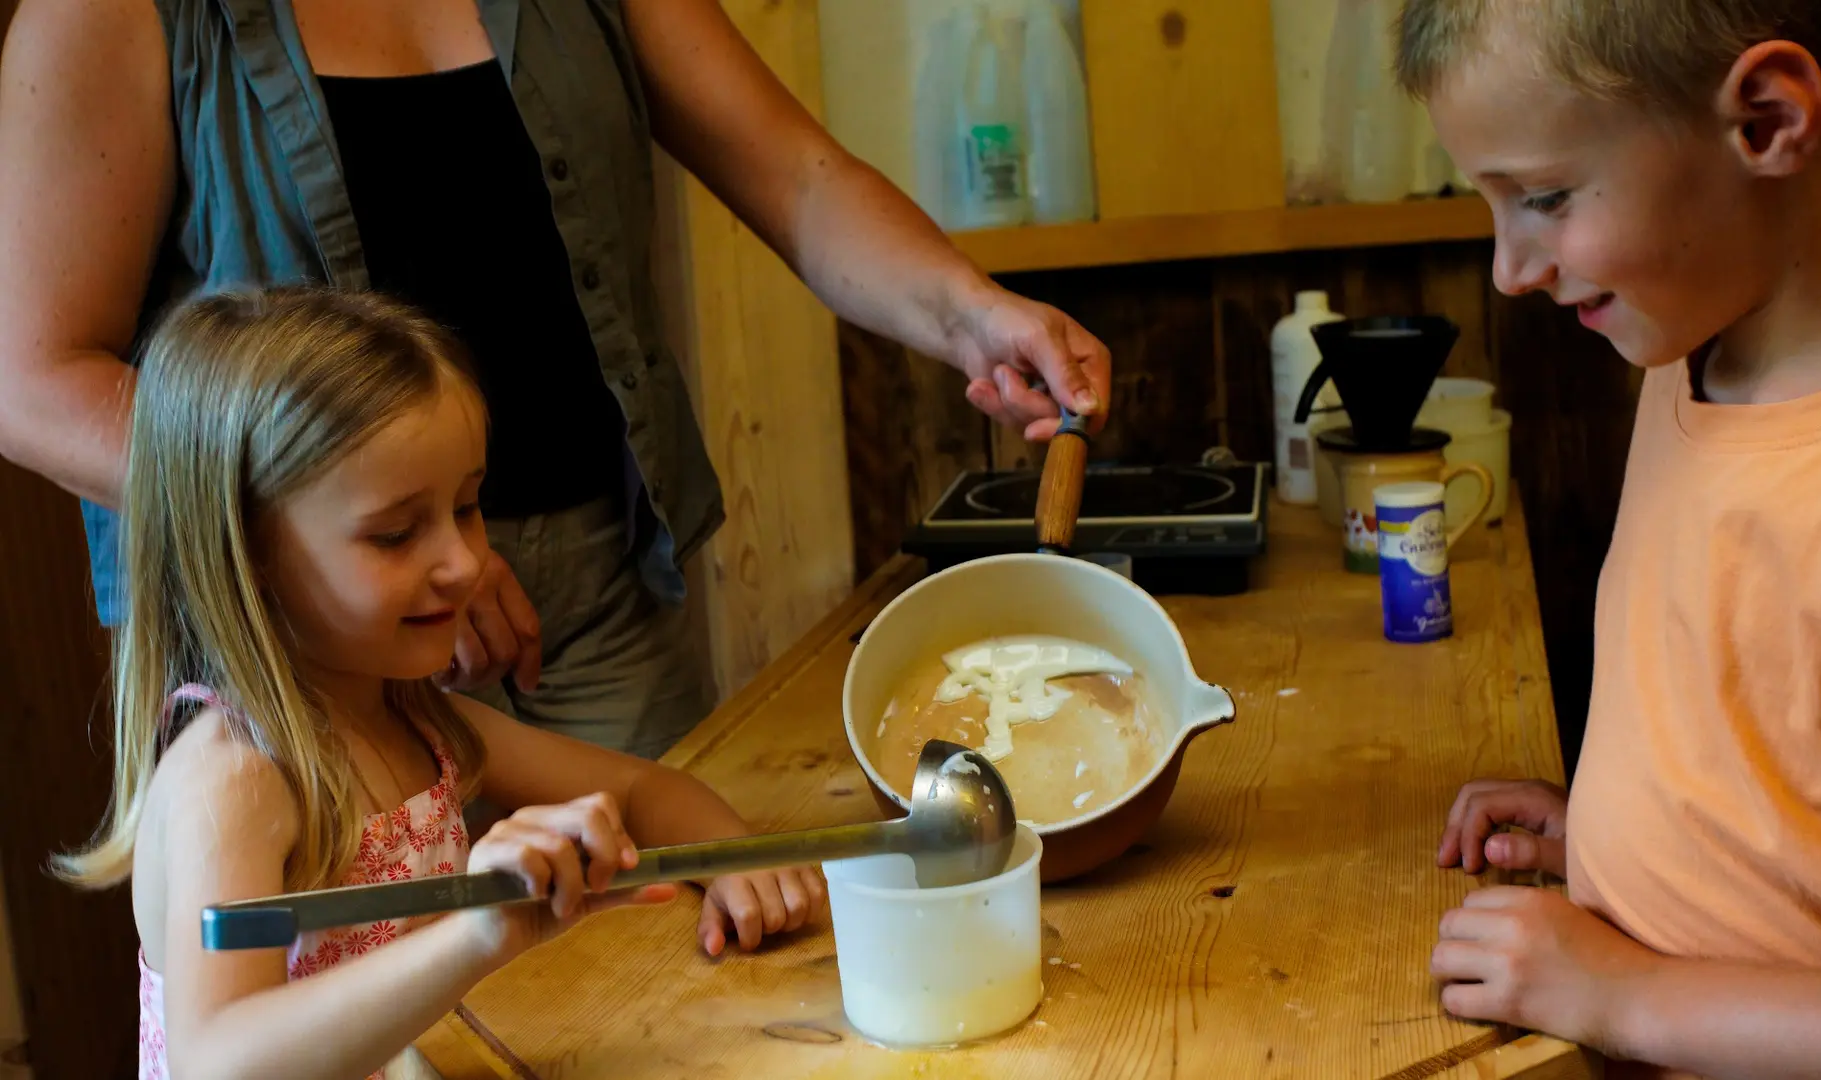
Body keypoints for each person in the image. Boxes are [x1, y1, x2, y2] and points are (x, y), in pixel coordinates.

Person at [0, 0, 1111, 760]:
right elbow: (31, 378)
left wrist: (974, 314)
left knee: (668, 994)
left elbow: (802, 178)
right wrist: (365, 532)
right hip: (282, 658)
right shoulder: (113, 14)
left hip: (590, 611)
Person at [56, 287, 826, 1080]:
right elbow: (220, 1061)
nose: (464, 563)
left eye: (466, 506)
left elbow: (643, 791)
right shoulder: (238, 779)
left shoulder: (423, 722)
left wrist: (737, 860)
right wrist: (476, 934)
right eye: (396, 533)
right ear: (247, 557)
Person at [1397, 1, 1821, 1077]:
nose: (1509, 268)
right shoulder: (1686, 359)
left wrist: (1626, 994)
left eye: (1544, 197)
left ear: (1769, 122)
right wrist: (1624, 834)